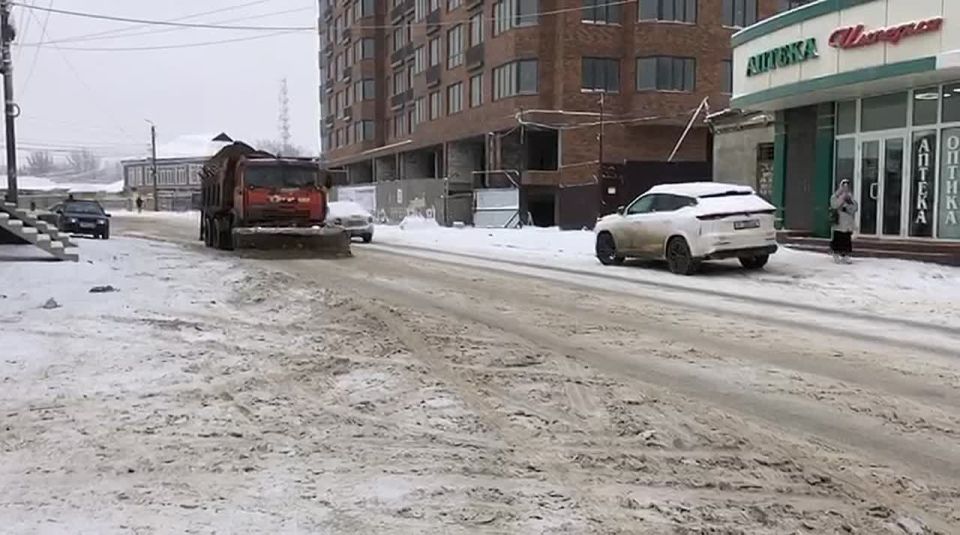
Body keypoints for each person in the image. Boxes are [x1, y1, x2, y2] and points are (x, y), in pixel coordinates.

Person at [830, 179, 858, 264]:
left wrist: (848, 205)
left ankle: (846, 255)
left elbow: (854, 208)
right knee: (838, 238)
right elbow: (834, 205)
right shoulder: (835, 196)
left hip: (847, 223)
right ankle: (836, 254)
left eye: (847, 185)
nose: (845, 187)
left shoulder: (850, 197)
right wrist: (842, 198)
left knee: (846, 239)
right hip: (839, 222)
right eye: (844, 185)